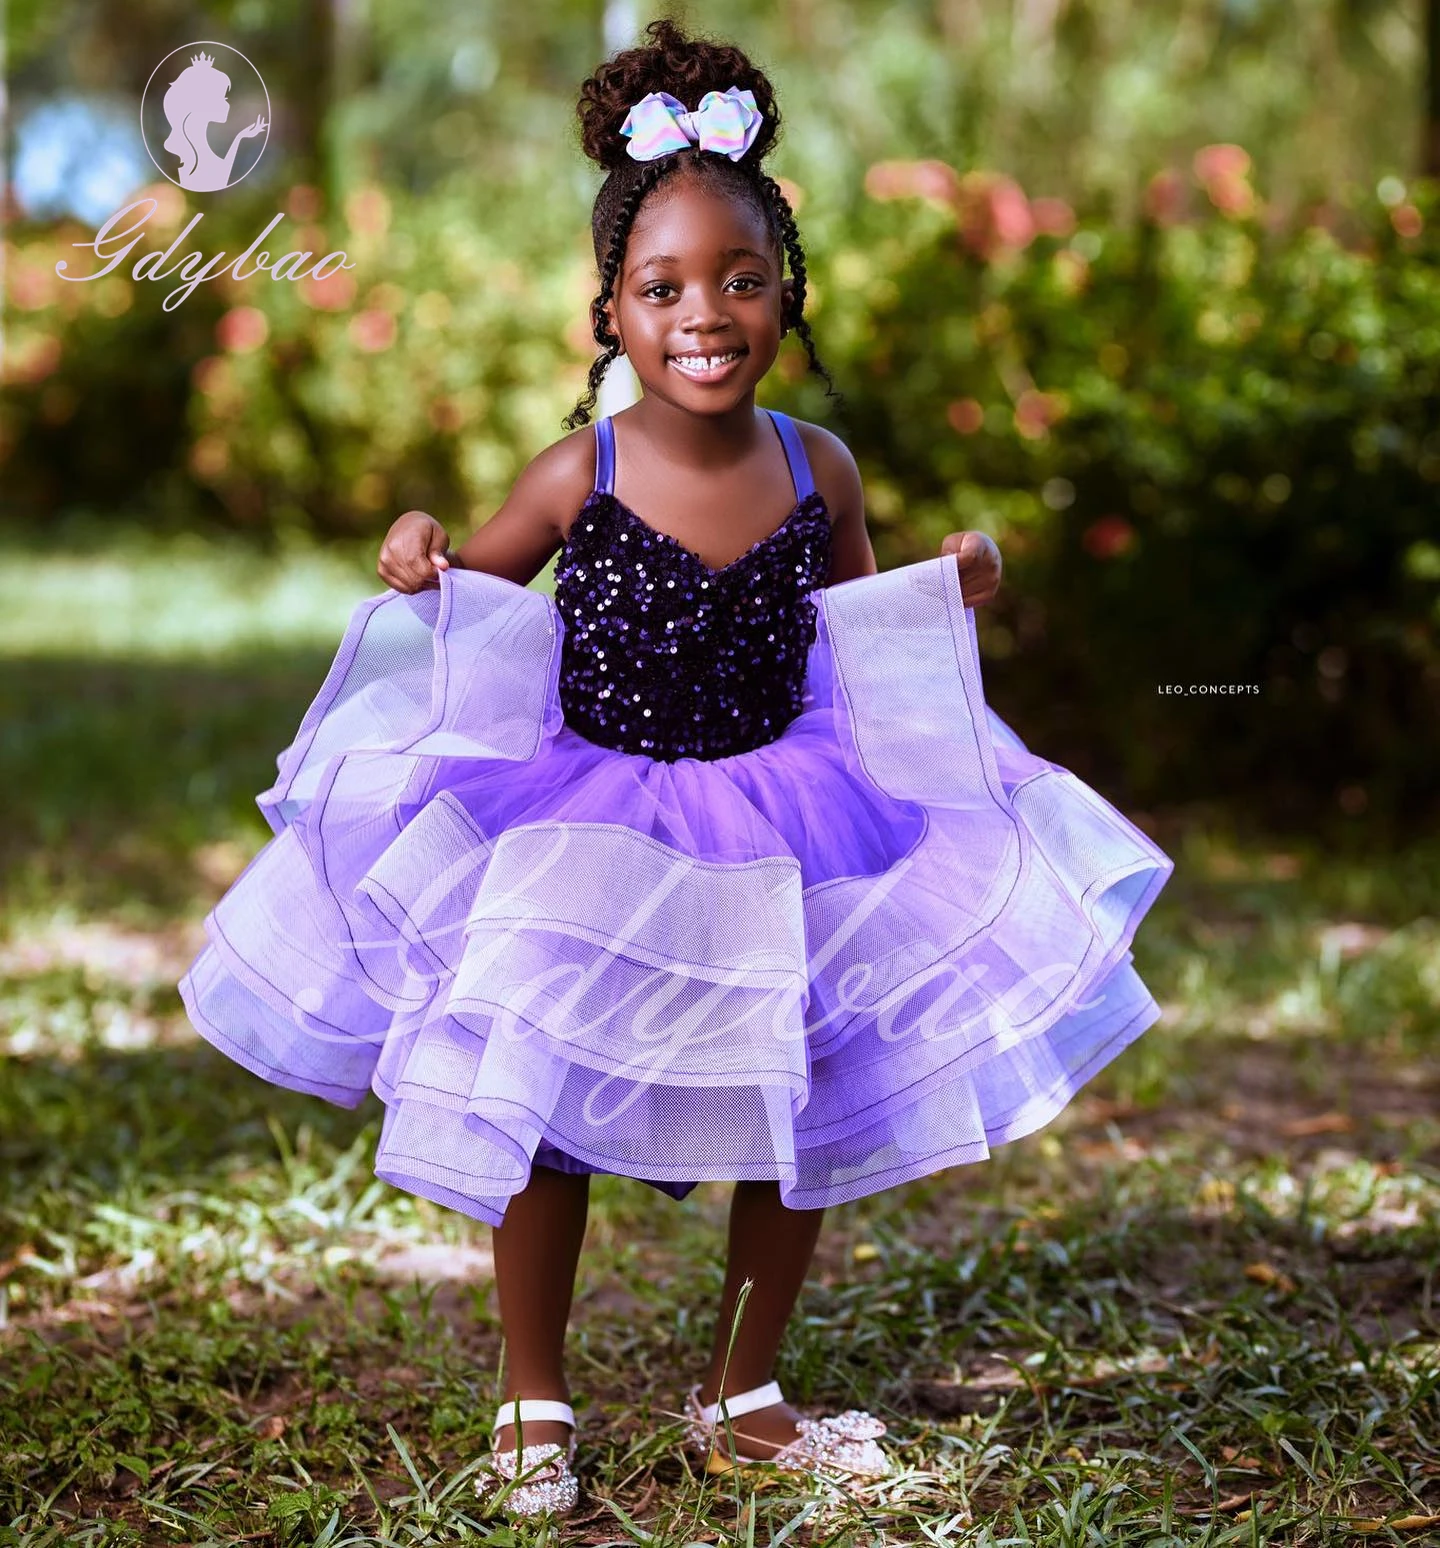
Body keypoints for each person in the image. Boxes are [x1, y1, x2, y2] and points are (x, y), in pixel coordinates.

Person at [178, 17, 1175, 1521]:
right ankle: (532, 1392)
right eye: (664, 288)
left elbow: (850, 624)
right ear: (612, 312)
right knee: (552, 1088)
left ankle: (744, 1387)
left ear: (787, 294)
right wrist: (416, 553)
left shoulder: (817, 467)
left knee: (798, 1083)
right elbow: (470, 582)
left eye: (741, 280)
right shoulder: (577, 470)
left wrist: (947, 576)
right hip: (595, 810)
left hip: (786, 803)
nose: (705, 312)